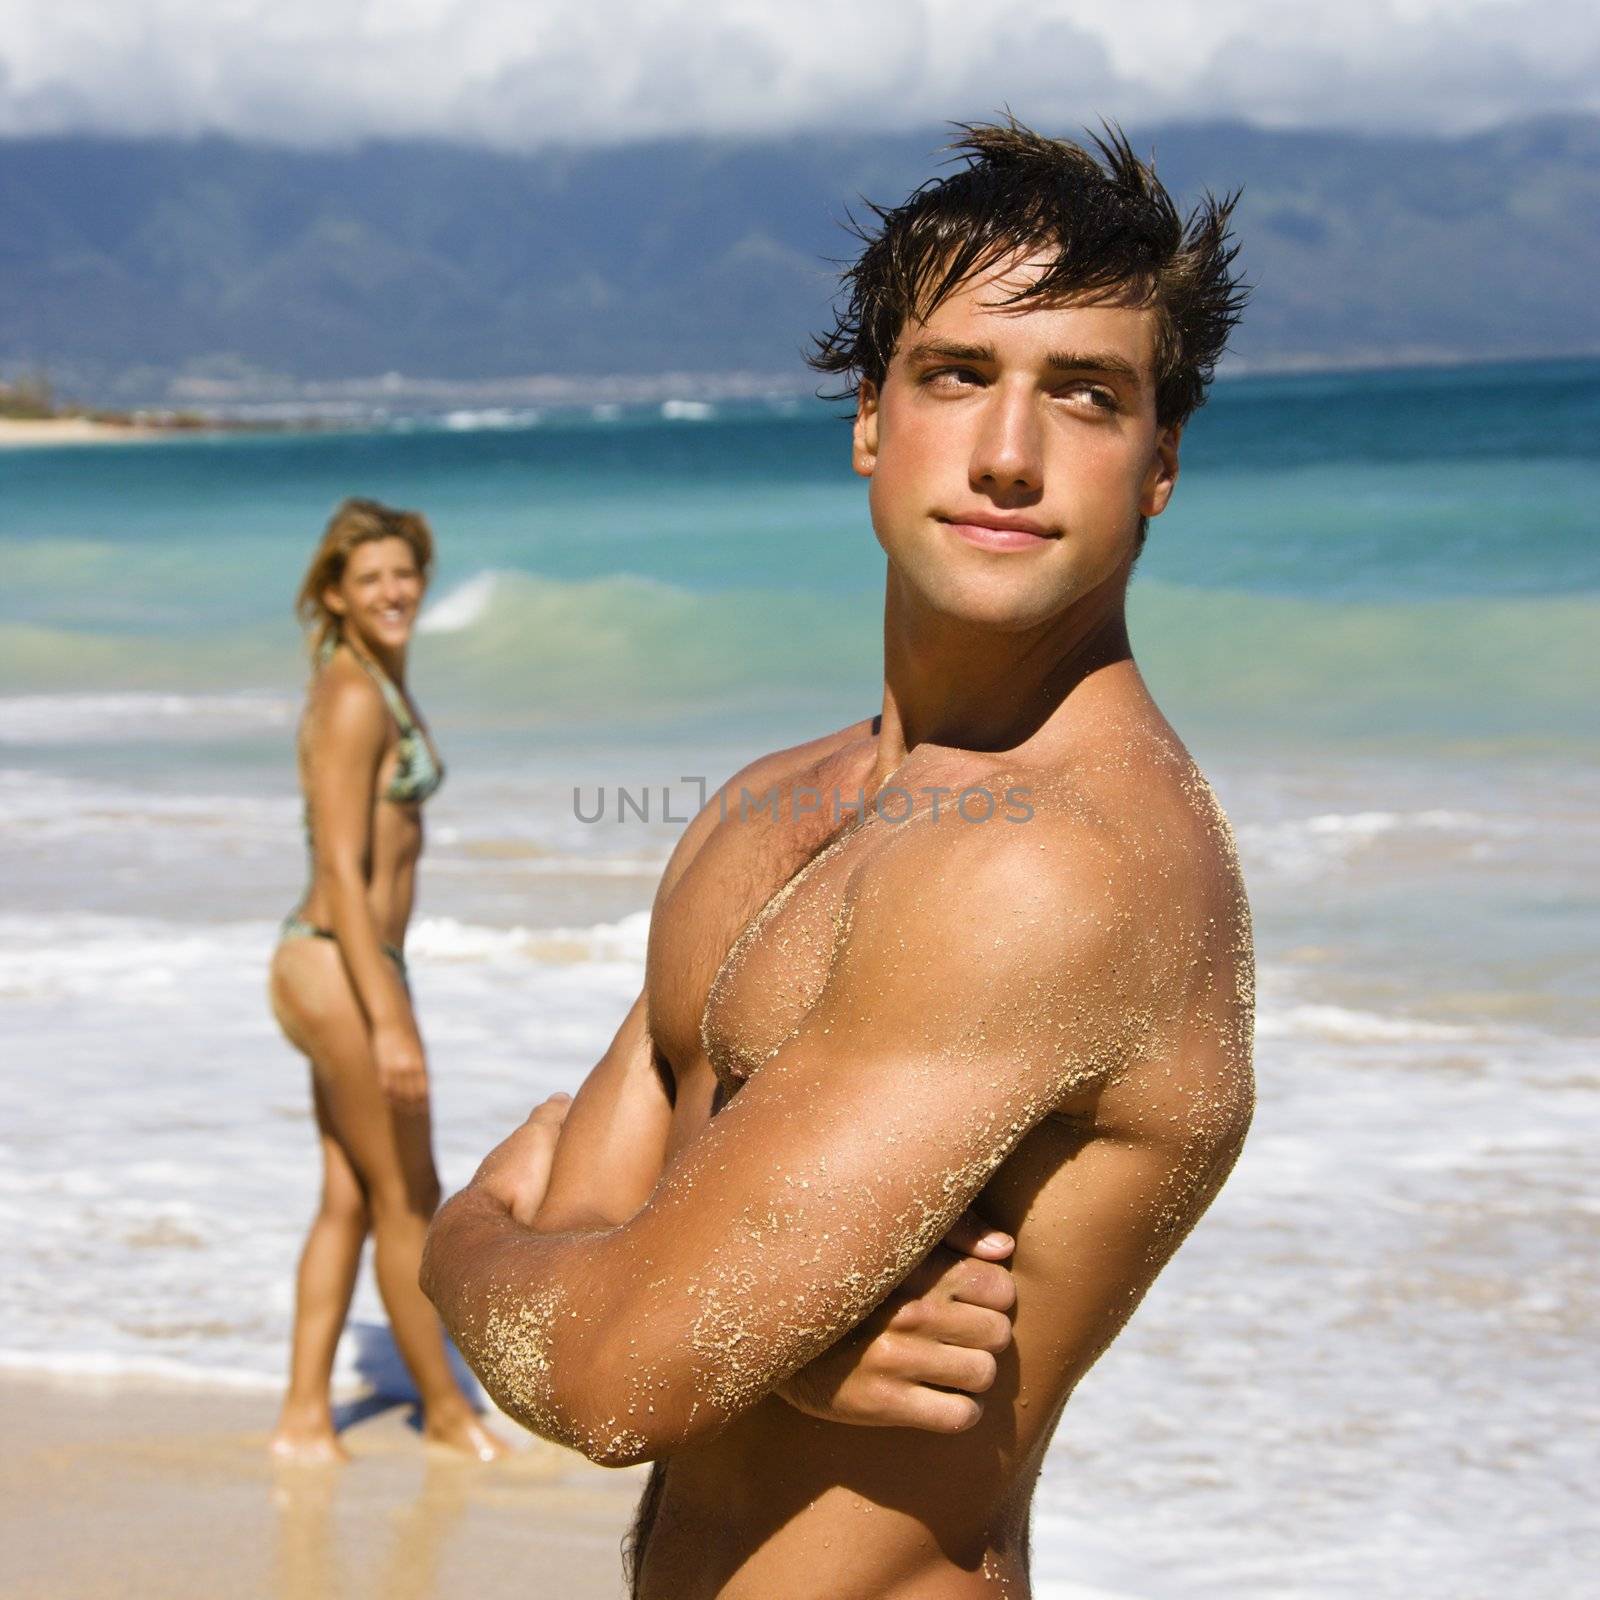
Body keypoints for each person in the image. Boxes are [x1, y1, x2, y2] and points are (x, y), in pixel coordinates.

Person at [422, 118, 1255, 1595]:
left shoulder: (1052, 871)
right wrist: (760, 1337)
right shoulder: (767, 810)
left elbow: (605, 1372)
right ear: (870, 420)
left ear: (1161, 464)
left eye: (1085, 396)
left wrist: (456, 1245)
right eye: (956, 377)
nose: (1008, 456)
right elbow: (605, 1261)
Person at [268, 497, 505, 1463]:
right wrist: (391, 1021)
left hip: (341, 961)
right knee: (411, 1195)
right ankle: (447, 1416)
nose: (393, 590)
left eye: (404, 572)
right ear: (336, 593)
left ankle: (302, 1419)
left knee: (351, 1198)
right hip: (339, 961)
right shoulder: (354, 696)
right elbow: (340, 872)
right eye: (369, 578)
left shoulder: (372, 680)